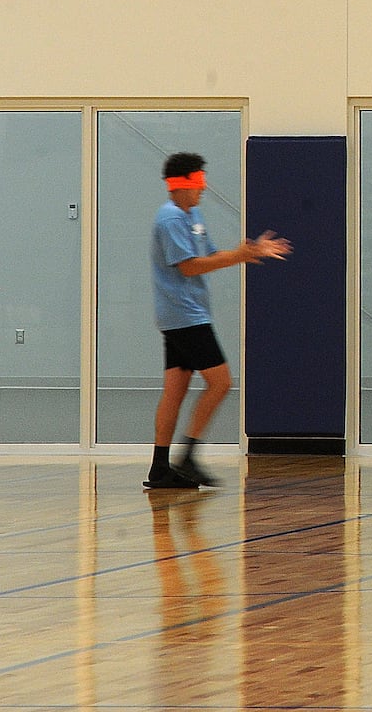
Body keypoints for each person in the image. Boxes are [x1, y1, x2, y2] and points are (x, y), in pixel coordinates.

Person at [146, 152, 290, 490]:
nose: (203, 188)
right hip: (184, 315)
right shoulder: (169, 220)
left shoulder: (192, 215)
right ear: (181, 184)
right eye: (198, 181)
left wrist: (248, 251)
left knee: (175, 391)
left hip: (185, 314)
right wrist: (239, 256)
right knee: (221, 382)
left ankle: (159, 467)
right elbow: (189, 266)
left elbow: (209, 255)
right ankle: (189, 455)